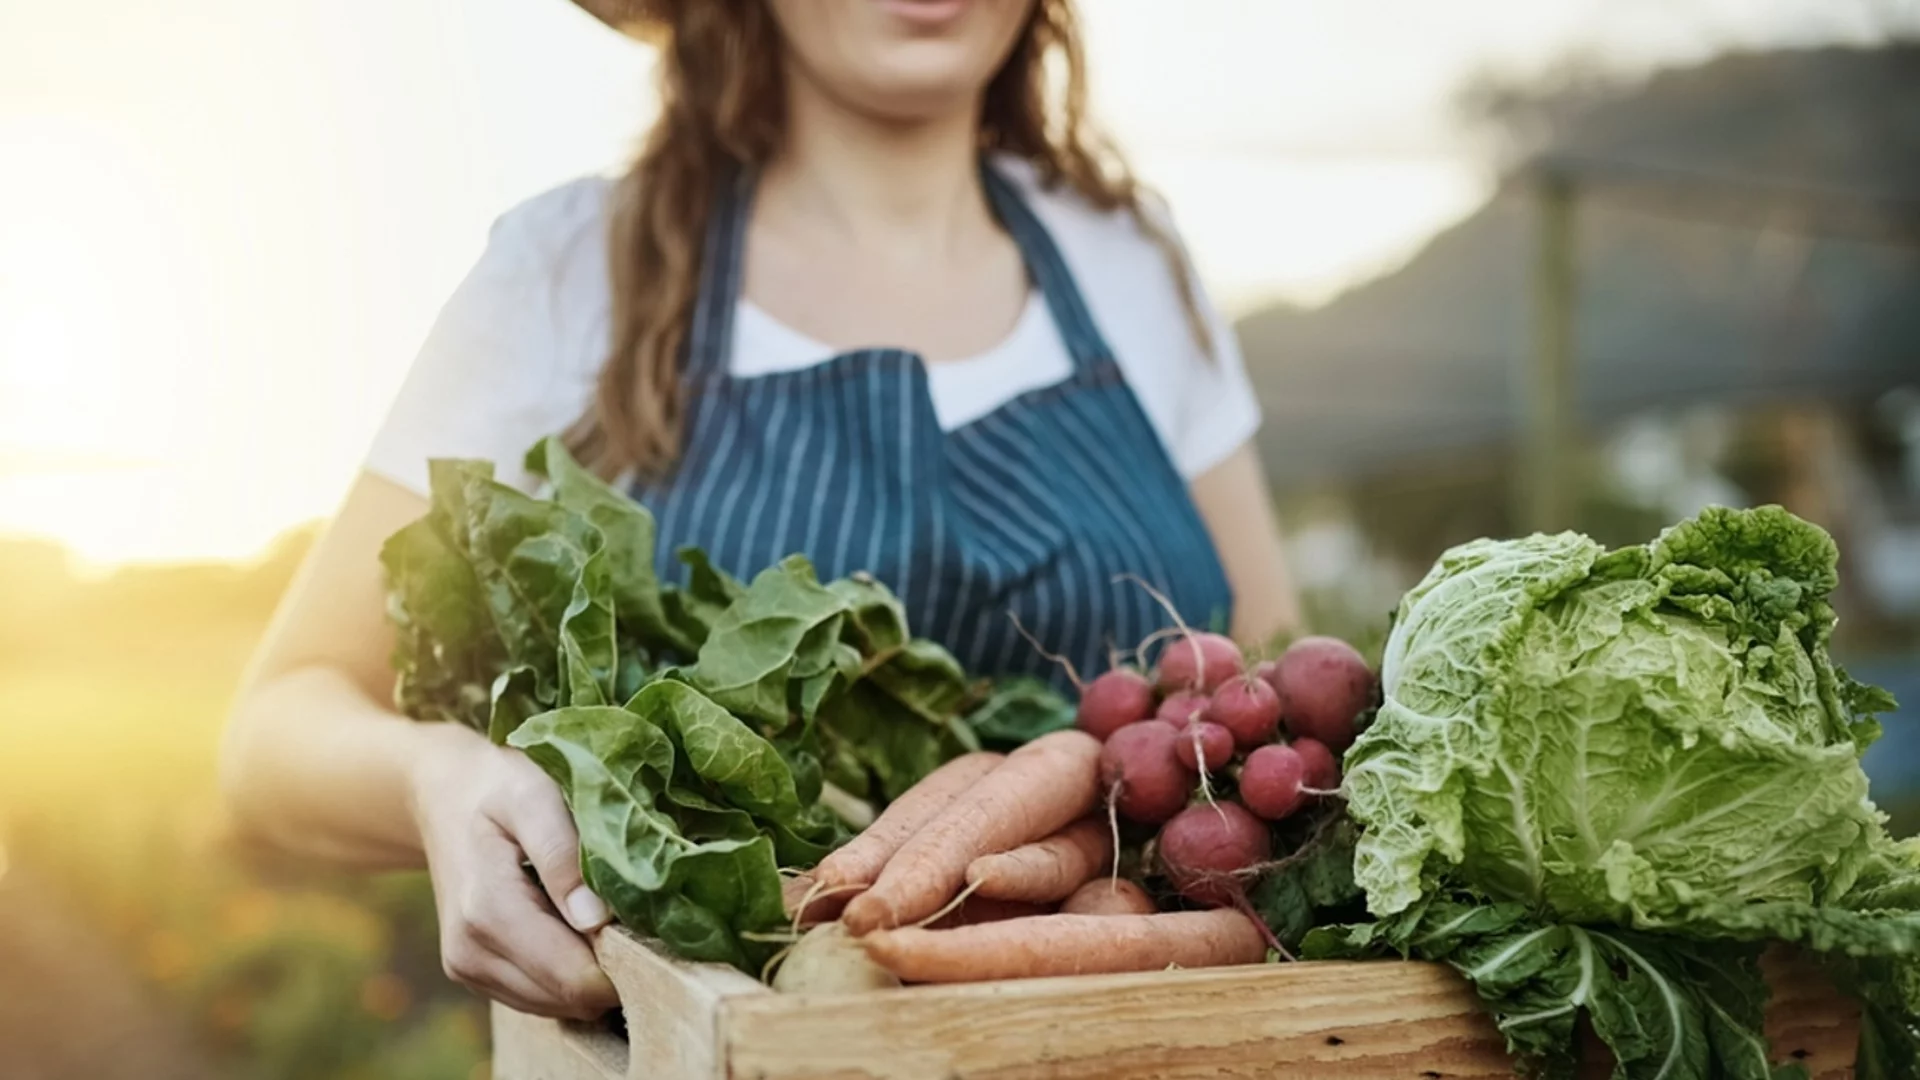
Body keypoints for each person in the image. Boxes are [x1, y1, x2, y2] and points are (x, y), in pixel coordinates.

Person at [220, 0, 1301, 1024]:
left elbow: (1275, 689)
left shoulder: (1131, 261)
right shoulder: (568, 272)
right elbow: (273, 731)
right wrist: (438, 780)